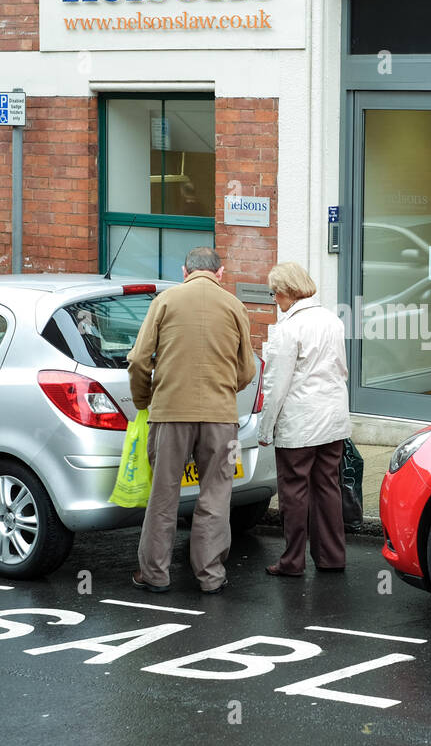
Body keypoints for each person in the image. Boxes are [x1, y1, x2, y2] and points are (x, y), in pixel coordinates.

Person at [127, 246, 256, 594]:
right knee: (216, 495)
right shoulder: (234, 306)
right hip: (220, 418)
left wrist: (144, 400)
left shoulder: (165, 302)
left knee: (164, 496)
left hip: (170, 414)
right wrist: (225, 389)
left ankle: (154, 574)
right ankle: (210, 576)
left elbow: (139, 360)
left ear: (184, 271)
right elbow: (248, 370)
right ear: (221, 272)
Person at [259, 262, 351, 576]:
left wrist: (264, 426)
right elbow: (342, 370)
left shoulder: (288, 329)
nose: (274, 299)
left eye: (275, 293)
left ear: (286, 292)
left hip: (299, 424)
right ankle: (331, 557)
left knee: (294, 491)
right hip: (333, 419)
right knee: (328, 486)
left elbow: (275, 385)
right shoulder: (332, 321)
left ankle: (292, 561)